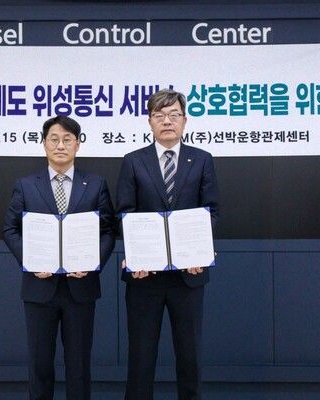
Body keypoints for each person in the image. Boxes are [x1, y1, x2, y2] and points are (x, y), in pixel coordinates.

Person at [116, 89, 219, 400]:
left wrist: (201, 250)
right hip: (144, 278)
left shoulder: (201, 160)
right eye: (159, 115)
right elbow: (124, 213)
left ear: (185, 121)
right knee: (141, 358)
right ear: (149, 121)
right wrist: (135, 254)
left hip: (189, 276)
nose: (167, 121)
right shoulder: (133, 161)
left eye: (174, 115)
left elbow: (211, 211)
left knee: (190, 358)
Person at [3, 115, 115, 400]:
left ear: (78, 144)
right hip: (39, 288)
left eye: (67, 139)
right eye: (54, 139)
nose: (60, 145)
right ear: (44, 144)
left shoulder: (96, 184)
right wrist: (30, 260)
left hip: (81, 287)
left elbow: (108, 231)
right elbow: (10, 229)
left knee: (79, 366)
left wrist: (93, 263)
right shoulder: (26, 185)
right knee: (40, 364)